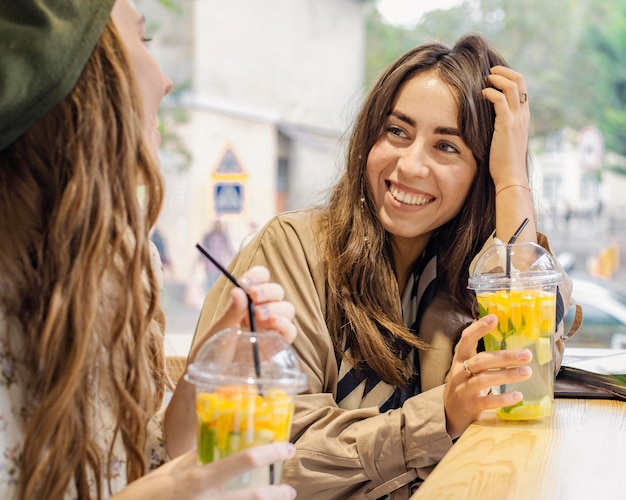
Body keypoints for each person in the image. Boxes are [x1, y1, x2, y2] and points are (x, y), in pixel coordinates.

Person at [191, 34, 574, 498]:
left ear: (480, 173)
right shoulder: (292, 250)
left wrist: (512, 181)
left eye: (447, 147)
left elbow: (525, 380)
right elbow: (267, 457)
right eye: (397, 132)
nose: (410, 165)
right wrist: (441, 417)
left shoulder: (462, 274)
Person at [0, 1, 298, 499]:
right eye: (143, 41)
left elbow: (149, 454)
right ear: (78, 86)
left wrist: (214, 360)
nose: (165, 80)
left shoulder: (127, 262)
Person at [200, 219, 236, 291]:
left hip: (220, 265)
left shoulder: (224, 237)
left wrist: (235, 258)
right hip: (209, 265)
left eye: (219, 224)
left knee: (219, 286)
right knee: (210, 286)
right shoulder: (208, 236)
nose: (218, 226)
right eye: (216, 224)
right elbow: (203, 249)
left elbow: (229, 249)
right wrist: (200, 258)